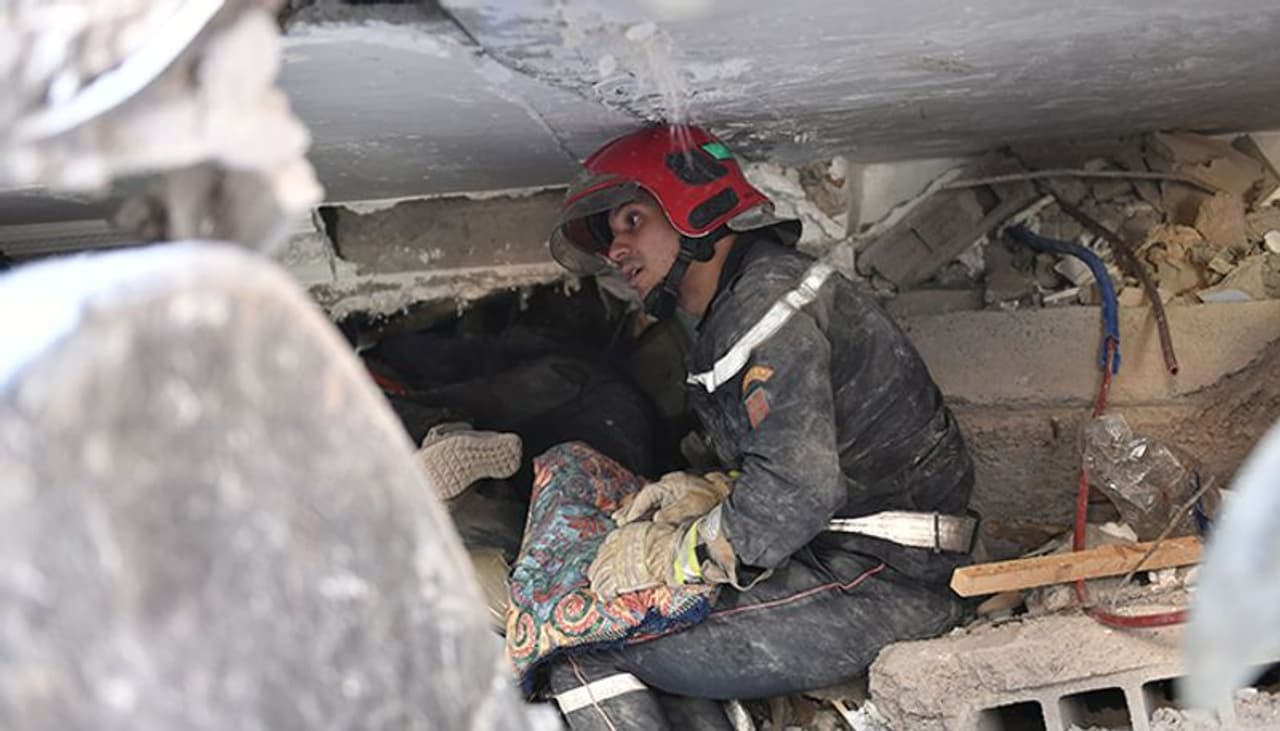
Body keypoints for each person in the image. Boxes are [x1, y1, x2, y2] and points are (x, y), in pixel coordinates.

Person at [541, 123, 980, 729]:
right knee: (651, 634)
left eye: (632, 221)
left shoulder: (765, 310)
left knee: (584, 657)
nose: (616, 251)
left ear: (693, 210)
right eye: (611, 236)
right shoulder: (748, 301)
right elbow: (796, 457)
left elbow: (797, 490)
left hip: (885, 580)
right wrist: (706, 491)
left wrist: (679, 554)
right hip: (859, 564)